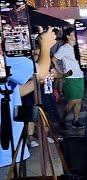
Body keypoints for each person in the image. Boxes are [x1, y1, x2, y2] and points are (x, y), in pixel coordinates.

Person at [0, 28, 56, 177]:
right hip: (4, 149)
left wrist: (36, 82)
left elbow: (11, 92)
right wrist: (45, 46)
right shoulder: (5, 54)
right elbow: (41, 71)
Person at [52, 27, 84, 129]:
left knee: (79, 101)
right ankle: (63, 120)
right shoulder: (64, 48)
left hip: (80, 76)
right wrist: (61, 72)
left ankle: (76, 120)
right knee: (72, 101)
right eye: (73, 34)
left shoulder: (78, 47)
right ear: (68, 36)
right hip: (71, 77)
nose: (76, 35)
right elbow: (54, 59)